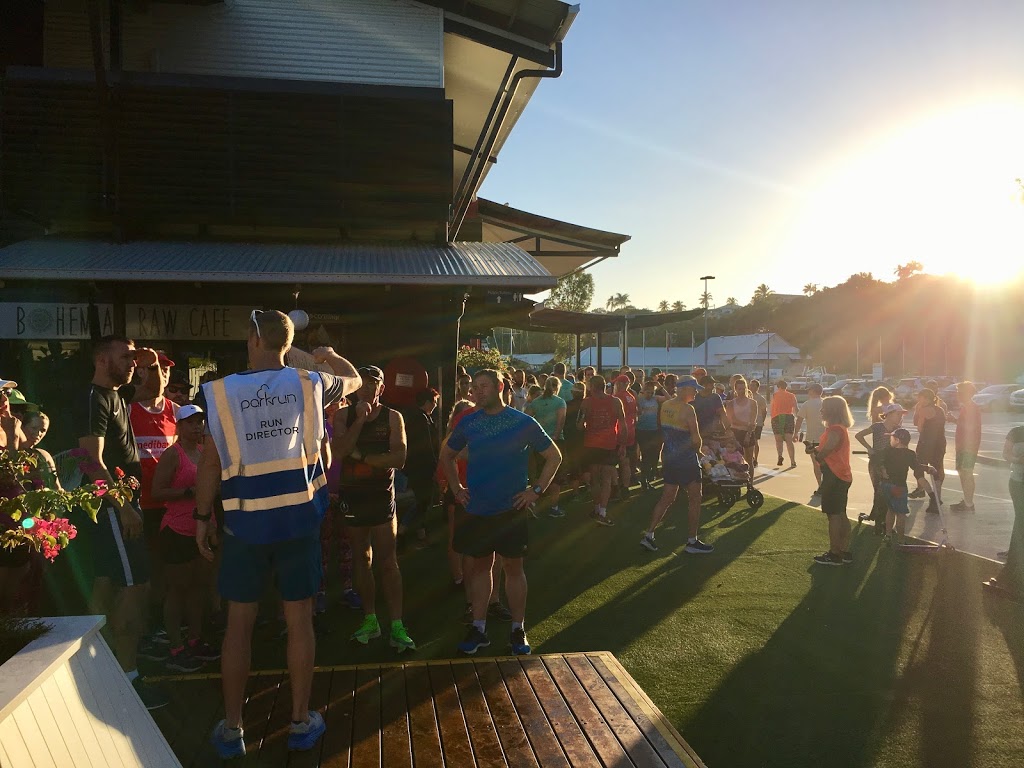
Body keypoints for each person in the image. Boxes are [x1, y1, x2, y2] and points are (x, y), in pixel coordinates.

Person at [196, 311, 361, 758]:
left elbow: (211, 463)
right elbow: (355, 379)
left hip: (244, 522)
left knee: (239, 624)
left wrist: (200, 517)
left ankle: (233, 728)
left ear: (253, 339)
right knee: (298, 619)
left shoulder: (219, 392)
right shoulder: (310, 384)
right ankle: (299, 720)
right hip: (298, 521)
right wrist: (328, 354)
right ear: (285, 343)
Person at [440, 369, 561, 656]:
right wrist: (457, 488)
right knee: (481, 567)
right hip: (478, 508)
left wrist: (536, 490)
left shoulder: (523, 422)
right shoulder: (469, 422)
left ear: (500, 387)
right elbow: (447, 454)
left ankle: (518, 629)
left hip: (511, 510)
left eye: (484, 386)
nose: (478, 392)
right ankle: (479, 628)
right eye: (475, 387)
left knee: (513, 568)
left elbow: (554, 456)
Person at [75, 336, 168, 709]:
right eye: (125, 357)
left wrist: (146, 358)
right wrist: (123, 505)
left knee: (107, 580)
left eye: (134, 357)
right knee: (136, 585)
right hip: (115, 508)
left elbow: (153, 385)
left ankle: (93, 666)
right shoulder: (94, 399)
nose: (133, 363)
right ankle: (127, 678)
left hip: (122, 505)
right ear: (101, 359)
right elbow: (89, 459)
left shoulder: (115, 394)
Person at [333, 365, 415, 653]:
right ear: (355, 388)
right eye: (363, 384)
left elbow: (400, 458)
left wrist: (363, 456)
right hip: (353, 497)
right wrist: (359, 422)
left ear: (382, 388)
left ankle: (396, 624)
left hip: (381, 497)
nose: (368, 389)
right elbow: (339, 452)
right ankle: (370, 619)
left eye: (374, 384)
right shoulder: (343, 414)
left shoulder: (393, 417)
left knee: (388, 561)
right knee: (360, 558)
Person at [149, 404, 220, 672]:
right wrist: (189, 491)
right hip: (177, 532)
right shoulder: (172, 455)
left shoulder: (205, 451)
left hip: (202, 530)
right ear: (179, 426)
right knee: (177, 590)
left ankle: (194, 639)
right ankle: (176, 646)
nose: (196, 427)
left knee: (198, 588)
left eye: (200, 421)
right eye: (190, 422)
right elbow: (158, 491)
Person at [130, 348, 180, 644]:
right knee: (143, 569)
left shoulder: (175, 411)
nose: (161, 374)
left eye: (165, 368)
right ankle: (143, 626)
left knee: (165, 567)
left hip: (169, 503)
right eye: (153, 368)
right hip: (139, 503)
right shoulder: (128, 408)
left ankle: (161, 623)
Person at [641, 376, 712, 554]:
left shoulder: (666, 405)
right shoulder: (688, 409)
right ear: (685, 389)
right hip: (686, 460)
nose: (696, 391)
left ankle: (649, 535)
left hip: (669, 457)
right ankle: (692, 541)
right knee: (695, 498)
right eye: (693, 388)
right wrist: (701, 454)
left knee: (667, 498)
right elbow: (696, 438)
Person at [811, 396, 855, 566]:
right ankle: (843, 550)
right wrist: (816, 449)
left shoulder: (835, 430)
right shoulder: (839, 428)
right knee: (841, 513)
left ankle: (835, 553)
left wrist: (816, 454)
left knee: (834, 515)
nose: (821, 410)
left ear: (832, 410)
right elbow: (830, 448)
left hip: (835, 476)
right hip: (841, 475)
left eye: (824, 407)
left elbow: (826, 451)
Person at [578, 375, 627, 526]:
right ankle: (603, 512)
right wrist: (623, 444)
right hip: (609, 444)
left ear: (591, 387)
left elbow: (579, 425)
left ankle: (597, 508)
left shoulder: (586, 402)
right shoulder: (615, 401)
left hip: (592, 444)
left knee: (595, 479)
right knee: (606, 478)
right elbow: (623, 424)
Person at [983, 425, 1024, 599]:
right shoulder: (1016, 432)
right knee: (1021, 521)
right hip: (1019, 482)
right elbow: (1006, 454)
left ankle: (1012, 572)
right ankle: (1011, 572)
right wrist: (1017, 459)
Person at [877, 428, 934, 546]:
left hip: (886, 485)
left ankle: (888, 535)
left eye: (892, 438)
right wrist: (928, 468)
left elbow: (880, 462)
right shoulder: (909, 454)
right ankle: (901, 539)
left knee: (890, 509)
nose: (890, 440)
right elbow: (916, 467)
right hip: (899, 487)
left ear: (897, 440)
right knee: (901, 514)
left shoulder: (888, 451)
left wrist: (882, 470)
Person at [855, 403, 907, 531]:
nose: (900, 417)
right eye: (898, 414)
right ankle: (879, 522)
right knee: (880, 491)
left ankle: (880, 518)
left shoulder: (899, 430)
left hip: (891, 464)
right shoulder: (877, 427)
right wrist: (869, 448)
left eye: (901, 414)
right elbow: (859, 435)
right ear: (888, 414)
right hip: (877, 462)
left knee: (887, 492)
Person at [400, 388, 441, 545]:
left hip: (417, 467)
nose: (436, 405)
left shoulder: (417, 418)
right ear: (428, 402)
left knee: (422, 501)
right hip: (422, 468)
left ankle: (421, 533)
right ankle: (403, 530)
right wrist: (435, 466)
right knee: (422, 501)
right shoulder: (422, 420)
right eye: (434, 402)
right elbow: (428, 446)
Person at [525, 376, 567, 518]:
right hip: (554, 441)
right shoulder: (560, 402)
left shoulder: (536, 402)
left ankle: (535, 503)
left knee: (539, 472)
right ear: (557, 387)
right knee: (555, 475)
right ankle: (553, 507)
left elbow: (527, 419)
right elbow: (561, 421)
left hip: (538, 442)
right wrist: (555, 435)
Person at [909, 388, 945, 513]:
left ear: (925, 398)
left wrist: (918, 411)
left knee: (918, 470)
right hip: (939, 443)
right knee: (937, 471)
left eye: (920, 398)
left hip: (926, 443)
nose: (918, 400)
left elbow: (919, 428)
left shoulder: (923, 410)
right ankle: (937, 500)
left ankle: (932, 496)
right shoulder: (940, 409)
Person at [949, 381, 981, 511]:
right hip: (963, 445)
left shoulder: (971, 408)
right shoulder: (966, 407)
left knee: (967, 472)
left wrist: (955, 420)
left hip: (969, 446)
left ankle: (969, 503)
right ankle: (967, 500)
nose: (957, 395)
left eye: (959, 392)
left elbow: (970, 427)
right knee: (962, 472)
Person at [794, 383, 825, 498]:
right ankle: (827, 485)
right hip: (826, 437)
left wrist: (795, 433)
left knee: (816, 464)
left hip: (812, 438)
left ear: (813, 391)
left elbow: (799, 419)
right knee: (827, 463)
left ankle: (821, 486)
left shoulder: (807, 404)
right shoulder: (825, 403)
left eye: (809, 390)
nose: (808, 392)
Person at [612, 375, 639, 500]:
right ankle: (625, 487)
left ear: (620, 384)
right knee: (626, 461)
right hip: (631, 430)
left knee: (612, 462)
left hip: (619, 431)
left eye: (616, 384)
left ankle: (615, 487)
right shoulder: (631, 397)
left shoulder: (618, 397)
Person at [635, 379, 662, 490]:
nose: (650, 394)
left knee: (654, 455)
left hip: (654, 430)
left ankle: (648, 476)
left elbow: (670, 399)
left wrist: (660, 387)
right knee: (646, 456)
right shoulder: (639, 400)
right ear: (643, 391)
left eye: (652, 392)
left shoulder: (655, 399)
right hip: (642, 431)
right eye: (648, 392)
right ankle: (644, 480)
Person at [726, 377, 757, 468]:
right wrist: (747, 424)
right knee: (737, 458)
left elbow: (753, 420)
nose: (742, 391)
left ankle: (750, 482)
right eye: (739, 389)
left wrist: (748, 434)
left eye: (744, 389)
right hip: (735, 432)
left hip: (749, 432)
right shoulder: (731, 403)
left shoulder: (752, 403)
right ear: (735, 389)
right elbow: (732, 420)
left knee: (749, 460)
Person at [770, 380, 799, 468]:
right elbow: (796, 408)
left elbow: (772, 407)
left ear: (778, 387)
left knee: (778, 440)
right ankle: (793, 461)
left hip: (776, 418)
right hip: (788, 417)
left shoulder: (775, 395)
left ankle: (780, 456)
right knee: (789, 441)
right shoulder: (791, 396)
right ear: (786, 387)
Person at [0, 379, 26, 449]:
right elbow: (12, 459)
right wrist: (12, 436)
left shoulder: (9, 425)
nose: (5, 399)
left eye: (6, 392)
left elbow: (27, 451)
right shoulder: (11, 429)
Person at [748, 379, 768, 468]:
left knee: (755, 441)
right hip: (747, 422)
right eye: (750, 385)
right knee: (747, 441)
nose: (751, 387)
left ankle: (755, 459)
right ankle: (749, 458)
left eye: (753, 385)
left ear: (757, 387)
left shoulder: (760, 398)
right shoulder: (747, 396)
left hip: (757, 422)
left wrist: (762, 421)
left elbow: (764, 411)